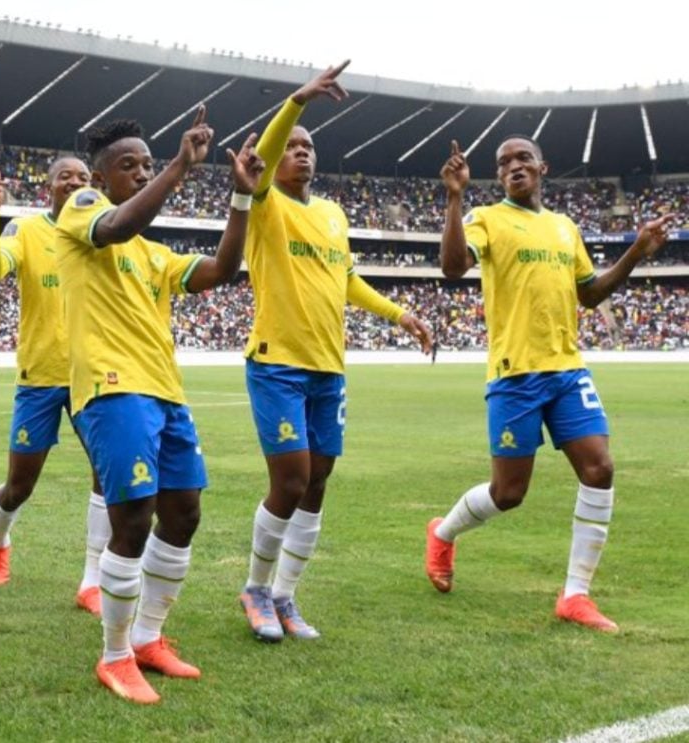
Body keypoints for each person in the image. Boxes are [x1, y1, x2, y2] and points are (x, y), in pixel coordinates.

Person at [424, 136, 679, 632]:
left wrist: (636, 252)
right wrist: (454, 197)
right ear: (498, 177)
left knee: (600, 468)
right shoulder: (486, 219)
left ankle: (575, 596)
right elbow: (453, 266)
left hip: (566, 370)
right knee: (509, 492)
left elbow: (590, 294)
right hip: (514, 375)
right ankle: (443, 532)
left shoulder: (566, 228)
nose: (513, 167)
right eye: (503, 164)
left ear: (543, 166)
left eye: (522, 159)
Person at [56, 108, 264, 704]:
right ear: (101, 175)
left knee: (184, 514)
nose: (141, 172)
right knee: (134, 519)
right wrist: (177, 166)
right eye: (131, 166)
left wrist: (240, 200)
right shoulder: (81, 212)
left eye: (147, 164)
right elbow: (117, 225)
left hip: (166, 392)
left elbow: (223, 270)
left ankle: (148, 637)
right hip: (111, 389)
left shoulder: (155, 256)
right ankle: (115, 654)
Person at [237, 63, 432, 643]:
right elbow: (265, 155)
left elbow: (348, 282)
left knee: (319, 480)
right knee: (292, 479)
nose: (300, 152)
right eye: (292, 147)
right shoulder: (266, 203)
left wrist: (402, 315)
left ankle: (286, 596)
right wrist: (297, 102)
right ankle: (254, 588)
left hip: (329, 368)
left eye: (308, 147)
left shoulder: (333, 215)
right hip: (277, 362)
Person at [0, 157, 109, 615]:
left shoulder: (101, 230)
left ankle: (92, 579)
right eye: (65, 177)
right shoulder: (26, 230)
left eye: (83, 178)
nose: (75, 183)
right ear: (49, 188)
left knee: (105, 472)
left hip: (91, 376)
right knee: (20, 486)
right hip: (39, 376)